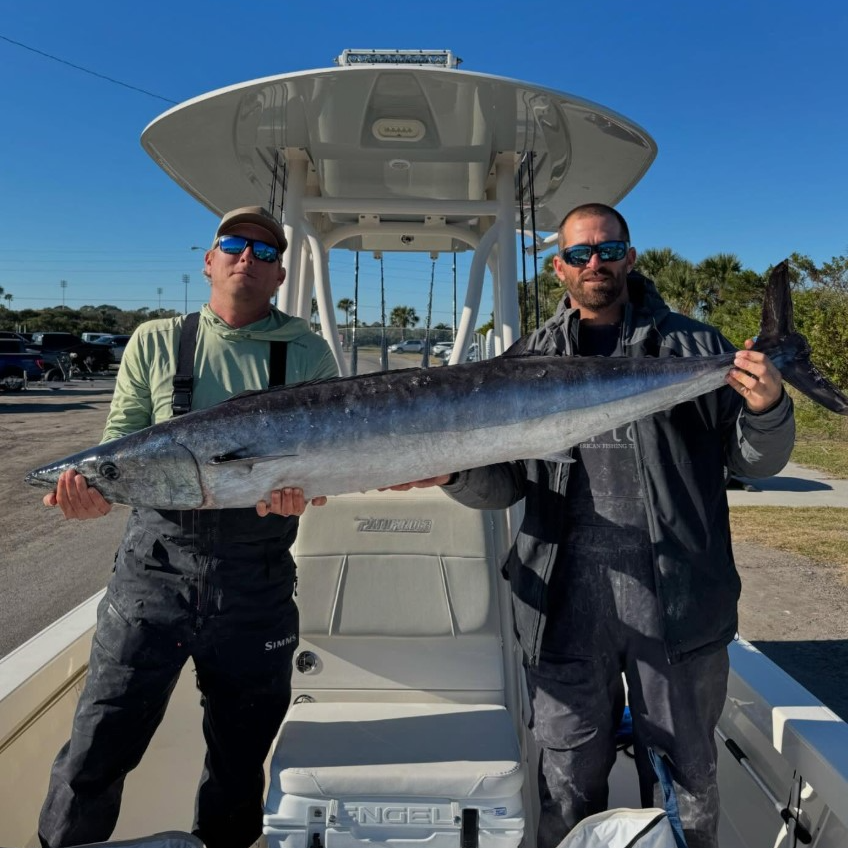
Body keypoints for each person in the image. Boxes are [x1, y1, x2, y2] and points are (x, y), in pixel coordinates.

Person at [387, 203, 794, 848]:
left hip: (681, 609)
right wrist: (449, 472)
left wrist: (768, 405)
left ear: (630, 257)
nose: (594, 264)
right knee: (567, 785)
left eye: (607, 250)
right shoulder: (526, 360)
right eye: (579, 254)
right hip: (562, 611)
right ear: (559, 269)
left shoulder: (697, 347)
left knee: (686, 788)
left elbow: (753, 459)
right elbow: (504, 485)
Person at [38, 206, 339, 848]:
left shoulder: (309, 351)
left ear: (280, 272)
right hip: (151, 580)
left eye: (264, 252)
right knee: (95, 750)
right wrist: (92, 494)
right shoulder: (154, 340)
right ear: (208, 259)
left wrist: (299, 494)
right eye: (233, 245)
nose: (246, 259)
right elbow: (120, 444)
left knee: (238, 764)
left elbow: (318, 464)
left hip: (255, 586)